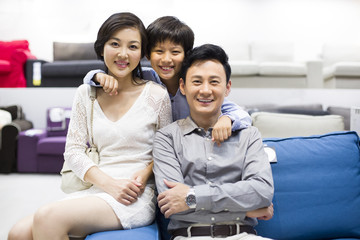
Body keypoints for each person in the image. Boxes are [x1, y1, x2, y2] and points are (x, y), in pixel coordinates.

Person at [8, 12, 172, 240]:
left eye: (132, 46)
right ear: (102, 47)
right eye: (115, 44)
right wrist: (109, 184)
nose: (123, 53)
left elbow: (167, 149)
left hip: (134, 195)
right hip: (98, 187)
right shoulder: (87, 92)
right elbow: (73, 151)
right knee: (17, 233)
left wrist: (143, 176)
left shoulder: (156, 95)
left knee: (48, 217)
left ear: (141, 52)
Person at [153, 44, 274, 240]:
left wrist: (192, 197)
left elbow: (261, 192)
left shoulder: (249, 135)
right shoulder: (167, 138)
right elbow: (173, 205)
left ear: (227, 88)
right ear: (183, 86)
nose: (206, 90)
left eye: (214, 82)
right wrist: (247, 209)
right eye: (197, 82)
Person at [83, 16, 252, 146]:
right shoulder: (145, 77)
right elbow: (93, 78)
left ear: (186, 55)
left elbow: (242, 114)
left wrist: (227, 119)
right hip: (158, 151)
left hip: (193, 148)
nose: (166, 59)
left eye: (175, 52)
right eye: (159, 51)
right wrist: (98, 76)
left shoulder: (195, 85)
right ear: (148, 54)